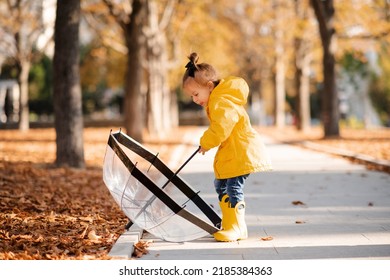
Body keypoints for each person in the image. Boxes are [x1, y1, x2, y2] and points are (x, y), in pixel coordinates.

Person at [182, 52, 272, 242]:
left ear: (209, 86)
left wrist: (206, 142)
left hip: (241, 152)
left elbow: (222, 127)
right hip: (234, 152)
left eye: (196, 94)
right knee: (221, 185)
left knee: (233, 187)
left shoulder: (221, 101)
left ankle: (237, 227)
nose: (194, 100)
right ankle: (231, 223)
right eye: (191, 96)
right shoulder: (218, 100)